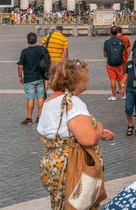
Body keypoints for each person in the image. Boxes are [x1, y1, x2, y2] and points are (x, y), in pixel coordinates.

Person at [38, 60, 114, 209]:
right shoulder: (72, 102)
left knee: (61, 204)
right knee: (79, 205)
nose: (88, 81)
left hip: (53, 163)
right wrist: (98, 128)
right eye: (85, 78)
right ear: (76, 81)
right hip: (72, 164)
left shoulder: (49, 101)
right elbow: (88, 139)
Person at [18, 32, 48, 125]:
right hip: (39, 77)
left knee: (30, 99)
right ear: (36, 40)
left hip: (29, 78)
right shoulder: (41, 49)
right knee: (40, 98)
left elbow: (20, 66)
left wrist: (20, 76)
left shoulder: (24, 51)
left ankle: (29, 118)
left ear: (27, 41)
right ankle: (39, 117)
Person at [103, 25, 127, 101]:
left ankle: (114, 96)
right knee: (120, 79)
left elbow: (104, 54)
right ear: (117, 32)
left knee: (112, 80)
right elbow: (124, 52)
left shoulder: (107, 42)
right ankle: (123, 95)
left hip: (110, 63)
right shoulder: (121, 41)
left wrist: (109, 57)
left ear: (110, 32)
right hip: (119, 63)